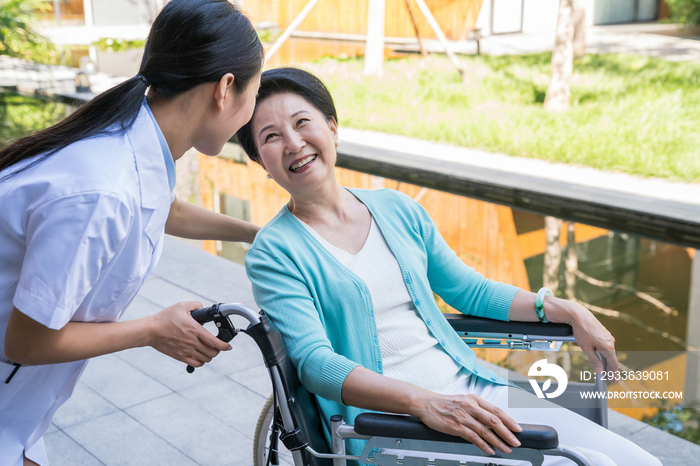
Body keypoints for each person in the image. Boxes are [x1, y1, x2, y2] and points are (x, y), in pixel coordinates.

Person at [238, 68, 662, 465]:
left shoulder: (398, 208)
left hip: (472, 391)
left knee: (641, 461)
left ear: (332, 127)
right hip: (390, 424)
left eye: (302, 122)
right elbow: (315, 363)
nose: (293, 143)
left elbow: (469, 291)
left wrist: (565, 309)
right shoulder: (274, 252)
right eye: (271, 137)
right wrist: (426, 403)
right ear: (261, 161)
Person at [0, 1, 264, 465]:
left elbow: (163, 207)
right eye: (254, 95)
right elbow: (26, 342)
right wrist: (153, 330)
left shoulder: (133, 140)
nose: (250, 115)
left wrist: (257, 234)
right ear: (225, 89)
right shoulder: (102, 190)